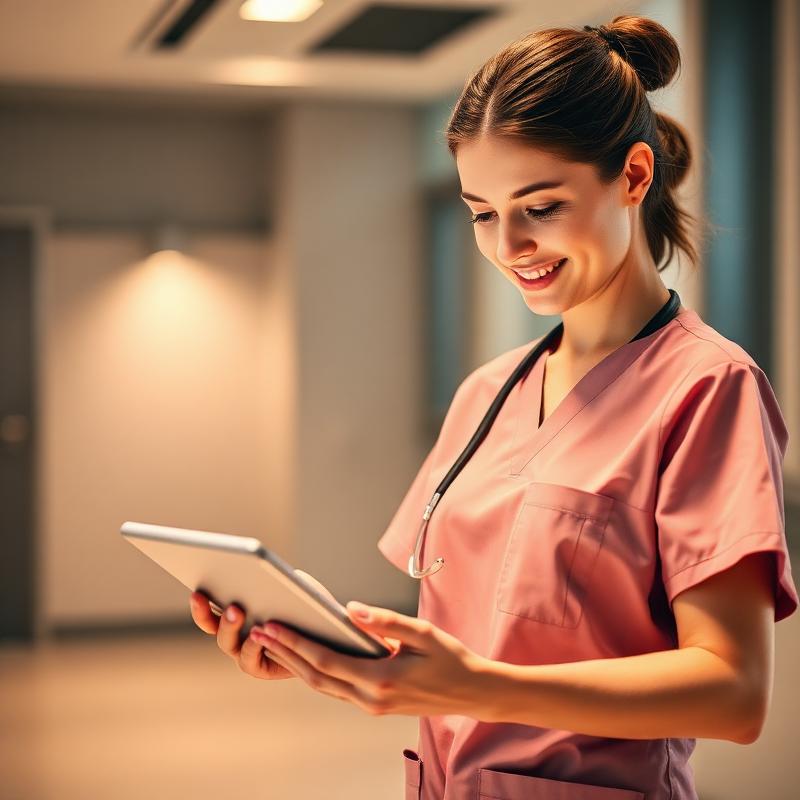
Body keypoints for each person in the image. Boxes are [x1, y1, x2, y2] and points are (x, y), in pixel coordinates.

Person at [189, 14, 799, 800]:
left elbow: (733, 691)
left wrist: (476, 688)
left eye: (539, 207)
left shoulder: (708, 388)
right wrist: (323, 652)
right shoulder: (490, 391)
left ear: (634, 177)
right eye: (482, 212)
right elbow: (475, 640)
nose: (507, 245)